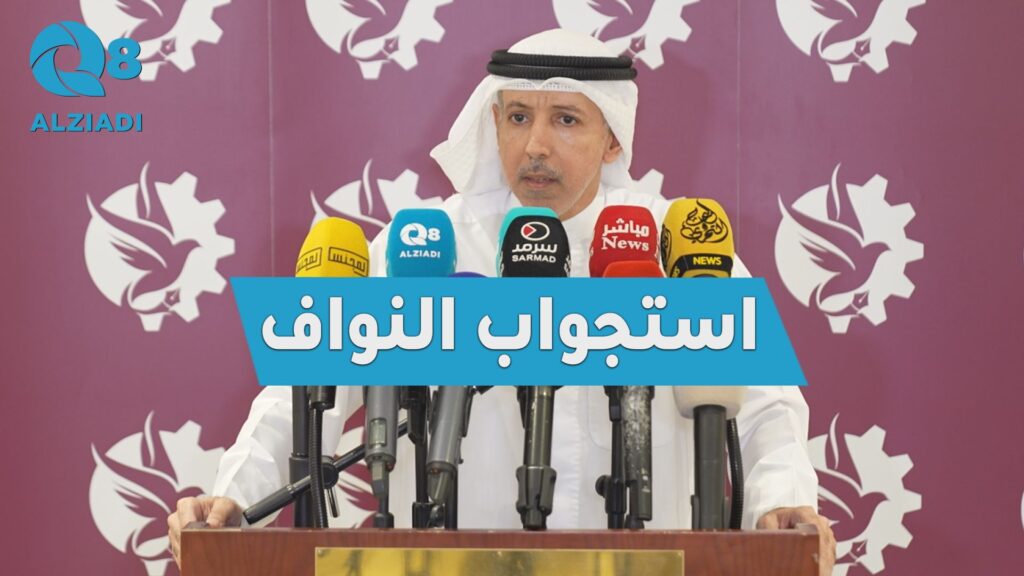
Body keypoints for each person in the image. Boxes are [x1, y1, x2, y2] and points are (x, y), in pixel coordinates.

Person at [168, 28, 835, 574]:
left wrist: (783, 500)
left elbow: (766, 405)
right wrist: (233, 497)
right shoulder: (426, 246)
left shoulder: (676, 243)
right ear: (495, 122)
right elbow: (304, 390)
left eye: (565, 120)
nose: (535, 145)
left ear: (612, 139)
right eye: (518, 117)